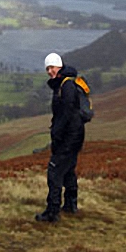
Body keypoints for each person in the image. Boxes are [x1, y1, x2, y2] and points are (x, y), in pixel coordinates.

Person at [35, 52, 85, 223]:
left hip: (69, 137)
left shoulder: (66, 86)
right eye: (47, 68)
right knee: (68, 169)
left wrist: (57, 131)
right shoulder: (65, 83)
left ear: (59, 66)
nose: (50, 71)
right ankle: (71, 205)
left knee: (54, 171)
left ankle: (52, 212)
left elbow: (67, 112)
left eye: (52, 67)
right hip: (74, 135)